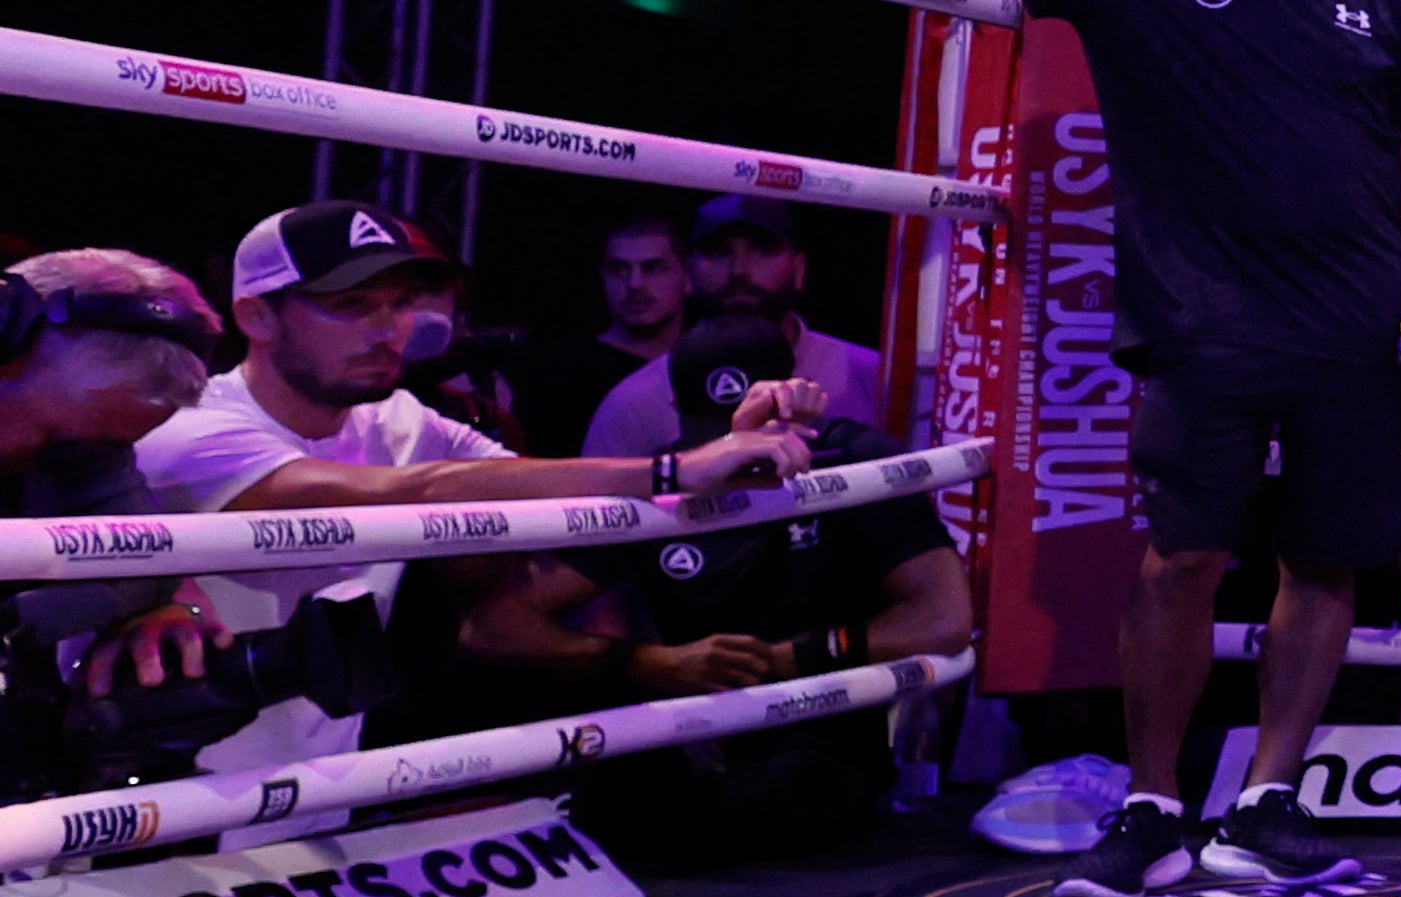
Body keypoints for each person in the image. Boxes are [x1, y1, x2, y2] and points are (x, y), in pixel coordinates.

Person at [648, 0, 1401, 894]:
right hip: (1202, 319)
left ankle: (1270, 796)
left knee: (1328, 562)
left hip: (1357, 323)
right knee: (1180, 558)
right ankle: (1154, 799)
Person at [133, 202, 821, 779]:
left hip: (326, 783)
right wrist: (676, 471)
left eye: (400, 303)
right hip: (168, 780)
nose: (388, 329)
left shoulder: (401, 419)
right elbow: (399, 492)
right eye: (349, 306)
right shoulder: (191, 429)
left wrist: (722, 441)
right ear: (257, 317)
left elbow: (536, 490)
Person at [449, 310, 975, 855]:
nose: (739, 457)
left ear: (788, 403)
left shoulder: (855, 466)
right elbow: (492, 628)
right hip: (683, 731)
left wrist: (784, 659)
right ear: (676, 412)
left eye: (753, 433)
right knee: (611, 802)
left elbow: (943, 618)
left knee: (797, 791)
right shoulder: (660, 484)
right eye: (718, 437)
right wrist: (647, 663)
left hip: (820, 729)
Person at [0, 251, 242, 765]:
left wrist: (170, 605)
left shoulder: (84, 440)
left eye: (98, 448)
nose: (73, 460)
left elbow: (145, 562)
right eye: (58, 436)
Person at [583, 199, 886, 458]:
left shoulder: (872, 376)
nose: (739, 270)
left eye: (762, 250)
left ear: (798, 269)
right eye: (718, 252)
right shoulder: (632, 404)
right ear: (689, 272)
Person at [507, 208, 688, 458]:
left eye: (653, 268)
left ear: (688, 277)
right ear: (602, 277)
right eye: (619, 269)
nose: (635, 284)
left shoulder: (705, 367)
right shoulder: (560, 380)